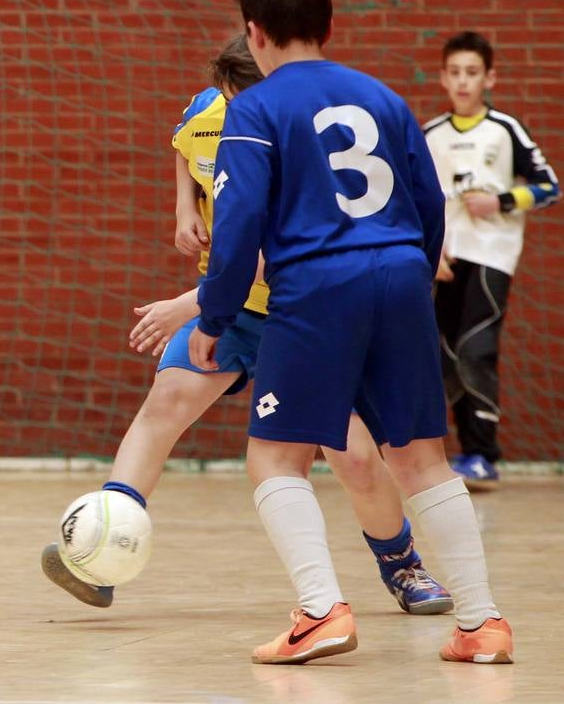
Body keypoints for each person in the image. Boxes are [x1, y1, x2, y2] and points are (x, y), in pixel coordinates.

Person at [41, 36, 452, 618]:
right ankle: (105, 545)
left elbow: (259, 252)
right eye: (233, 100)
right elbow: (186, 147)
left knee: (355, 458)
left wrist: (188, 305)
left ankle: (402, 564)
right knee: (166, 401)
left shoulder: (294, 136)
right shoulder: (210, 109)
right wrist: (185, 207)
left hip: (296, 312)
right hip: (231, 313)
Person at [189, 0, 512, 665]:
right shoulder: (383, 98)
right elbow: (428, 207)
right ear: (327, 23)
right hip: (401, 275)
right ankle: (483, 625)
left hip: (316, 289)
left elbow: (237, 229)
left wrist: (213, 318)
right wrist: (408, 274)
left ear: (254, 32)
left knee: (273, 456)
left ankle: (317, 612)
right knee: (421, 457)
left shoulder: (254, 109)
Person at [423, 30, 557, 489]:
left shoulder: (504, 130)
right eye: (455, 73)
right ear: (443, 78)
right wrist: (428, 248)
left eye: (472, 73)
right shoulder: (431, 134)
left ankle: (483, 454)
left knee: (476, 347)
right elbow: (411, 200)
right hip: (443, 258)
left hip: (491, 256)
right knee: (442, 355)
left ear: (490, 78)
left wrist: (500, 200)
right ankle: (448, 456)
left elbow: (549, 186)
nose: (463, 82)